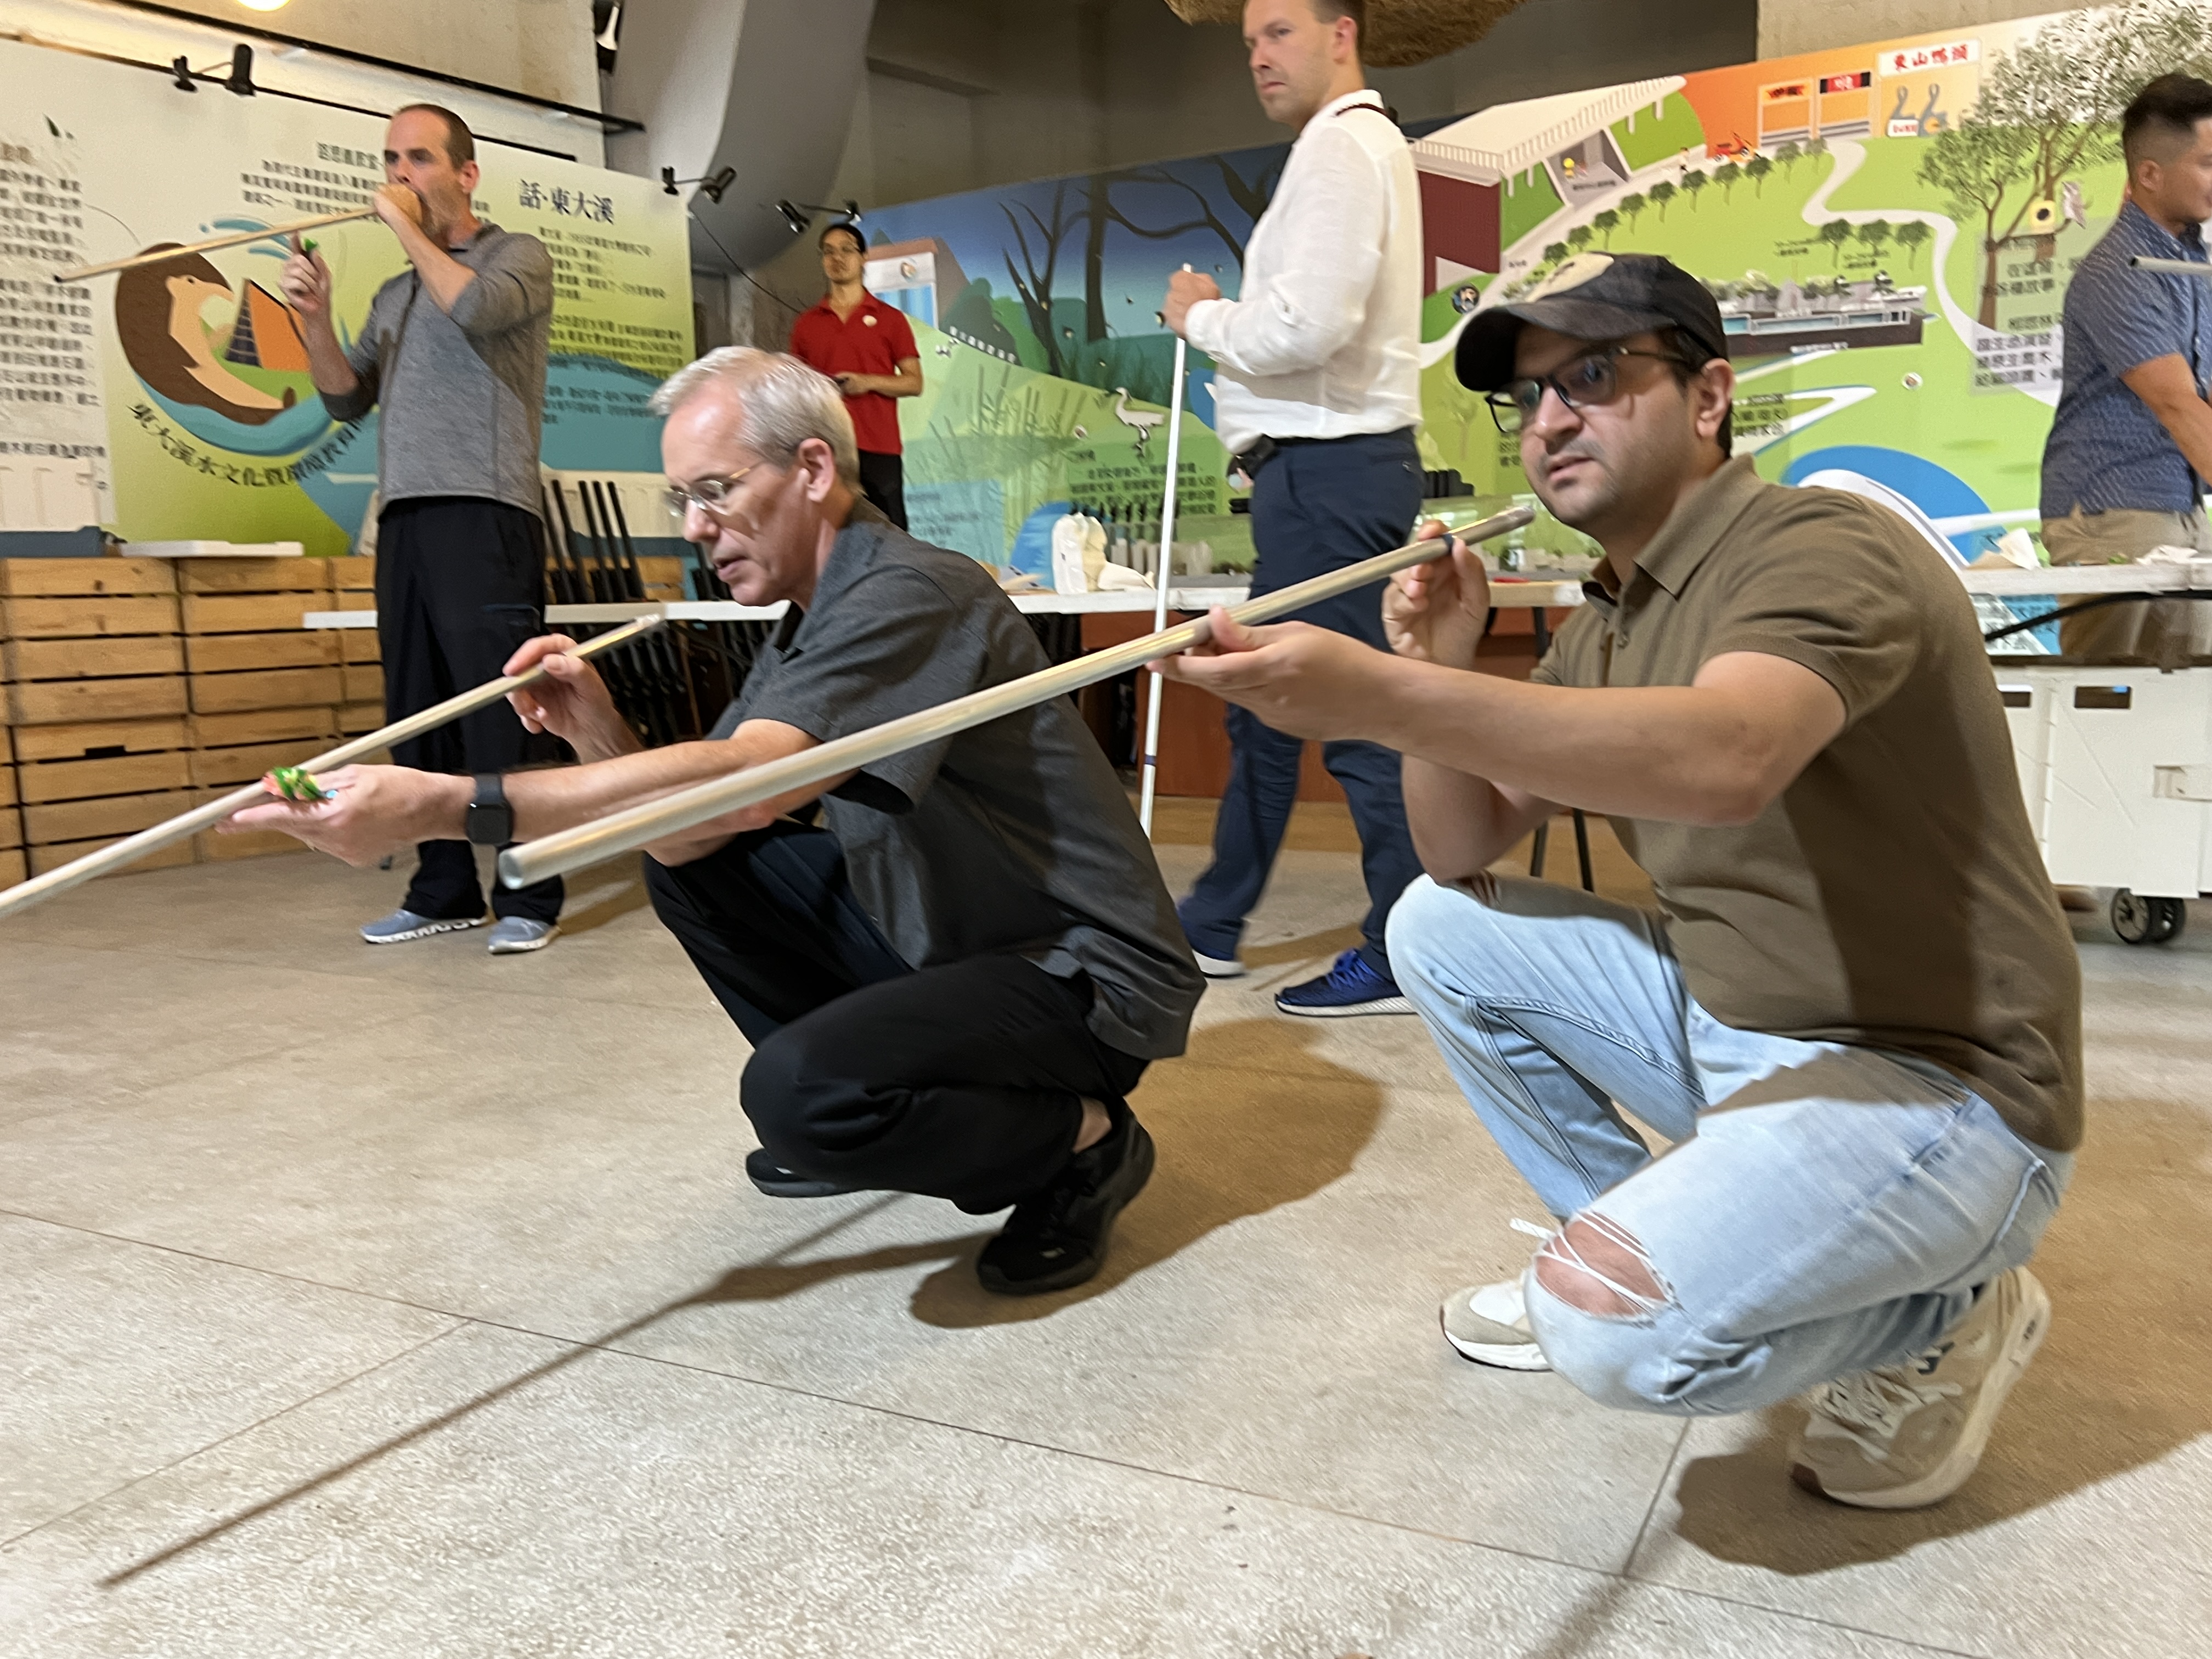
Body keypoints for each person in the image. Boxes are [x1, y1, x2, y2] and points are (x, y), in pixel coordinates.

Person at [1158, 253, 2082, 1509]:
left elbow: (1731, 757)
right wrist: (1433, 668)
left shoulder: (1818, 546)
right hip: (1741, 1031)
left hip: (1944, 1086)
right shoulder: (1609, 620)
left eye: (1592, 376)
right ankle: (1640, 1240)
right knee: (1434, 926)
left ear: (1709, 398)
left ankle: (1949, 1316)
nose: (1549, 419)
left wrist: (1383, 695)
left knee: (1608, 1338)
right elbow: (1460, 850)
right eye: (1528, 396)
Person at [229, 349, 1203, 1296]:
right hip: (947, 942)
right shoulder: (809, 620)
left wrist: (450, 805)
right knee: (697, 872)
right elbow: (689, 829)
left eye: (714, 491)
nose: (696, 527)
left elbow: (749, 783)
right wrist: (592, 725)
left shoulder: (912, 588)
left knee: (797, 1095)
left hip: (1081, 977)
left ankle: (1085, 1143)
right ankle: (873, 1093)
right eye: (682, 500)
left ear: (812, 468)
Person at [1159, 0, 1424, 1017]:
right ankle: (1215, 919)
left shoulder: (1343, 148)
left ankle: (1404, 952)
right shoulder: (1347, 146)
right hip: (1313, 476)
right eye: (1249, 44)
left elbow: (1308, 325)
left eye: (1278, 33)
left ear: (1340, 33)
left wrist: (1200, 317)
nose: (1258, 58)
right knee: (1268, 709)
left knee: (1356, 720)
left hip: (1327, 472)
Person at [281, 103, 563, 955]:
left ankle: (531, 887)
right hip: (403, 514)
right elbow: (344, 398)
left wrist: (404, 229)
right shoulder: (396, 292)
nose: (400, 175)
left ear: (466, 174)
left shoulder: (517, 256)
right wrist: (315, 317)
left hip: (486, 508)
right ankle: (442, 887)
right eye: (391, 161)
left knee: (501, 709)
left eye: (419, 159)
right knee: (419, 713)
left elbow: (475, 309)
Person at [2040, 72, 2212, 664]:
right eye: (2209, 164)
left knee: (2190, 691)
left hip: (2179, 507)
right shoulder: (2119, 270)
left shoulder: (2190, 258)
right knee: (2102, 697)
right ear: (2151, 175)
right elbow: (2176, 403)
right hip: (2114, 511)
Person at [787, 221, 922, 528]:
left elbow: (914, 382)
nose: (838, 258)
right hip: (826, 447)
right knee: (828, 534)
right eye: (829, 252)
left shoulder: (891, 319)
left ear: (863, 257)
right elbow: (795, 388)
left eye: (847, 250)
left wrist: (867, 382)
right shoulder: (807, 323)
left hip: (879, 446)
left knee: (890, 534)